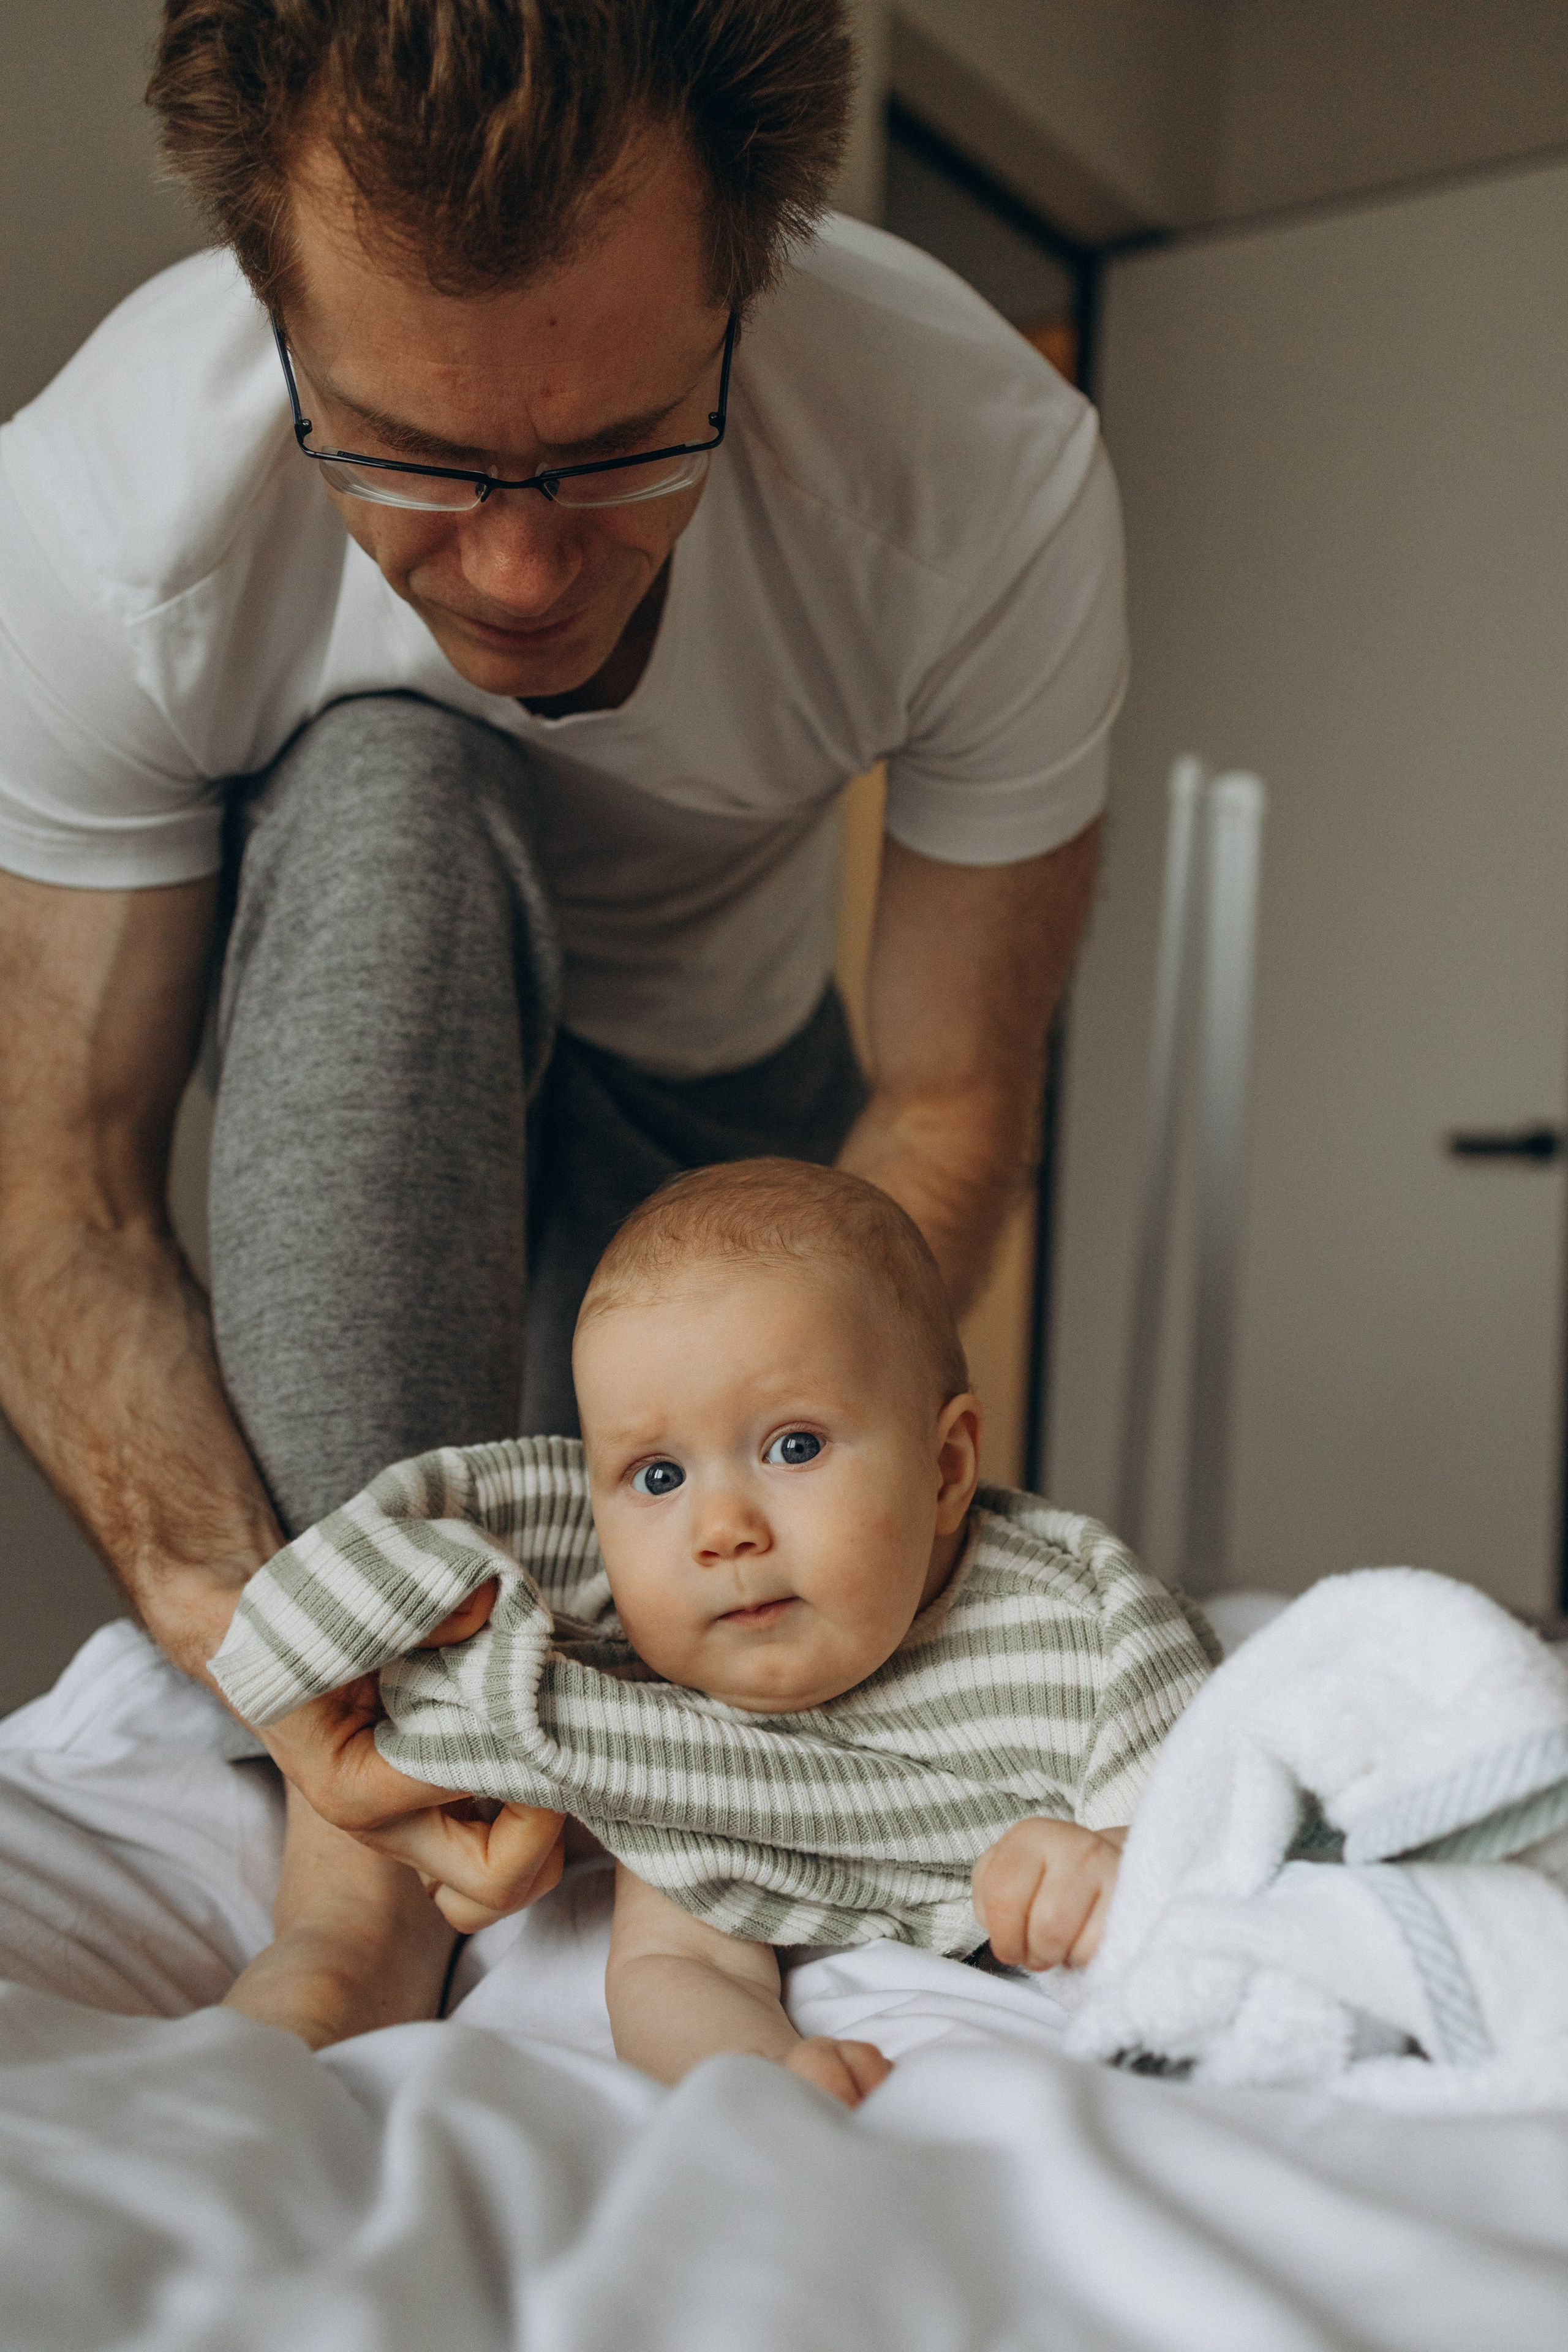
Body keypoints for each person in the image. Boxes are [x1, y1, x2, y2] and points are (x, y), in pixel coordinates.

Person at [0, 0, 1125, 1923]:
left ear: (748, 290)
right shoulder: (97, 518)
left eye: (619, 450)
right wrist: (276, 1652)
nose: (517, 578)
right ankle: (359, 1905)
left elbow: (950, 1097)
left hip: (724, 1133)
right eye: (410, 457)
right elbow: (63, 1191)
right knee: (392, 779)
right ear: (269, 304)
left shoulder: (977, 474)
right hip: (360, 1079)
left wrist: (785, 1575)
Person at [211, 1162, 1218, 2101]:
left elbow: (1219, 1820)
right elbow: (675, 1966)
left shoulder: (1080, 1628)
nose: (722, 1529)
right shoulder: (662, 1716)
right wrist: (761, 2069)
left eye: (794, 1446)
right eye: (659, 1476)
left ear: (946, 1467)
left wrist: (1109, 1862)